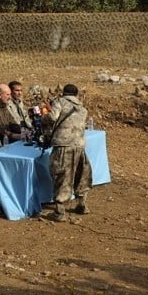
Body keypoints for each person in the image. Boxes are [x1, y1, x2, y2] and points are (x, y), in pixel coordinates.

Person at [46, 84, 90, 222]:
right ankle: (81, 204)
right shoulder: (82, 108)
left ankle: (59, 211)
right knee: (80, 174)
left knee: (62, 176)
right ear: (76, 94)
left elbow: (53, 118)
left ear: (63, 93)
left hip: (63, 144)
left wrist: (43, 119)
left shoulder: (60, 102)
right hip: (79, 145)